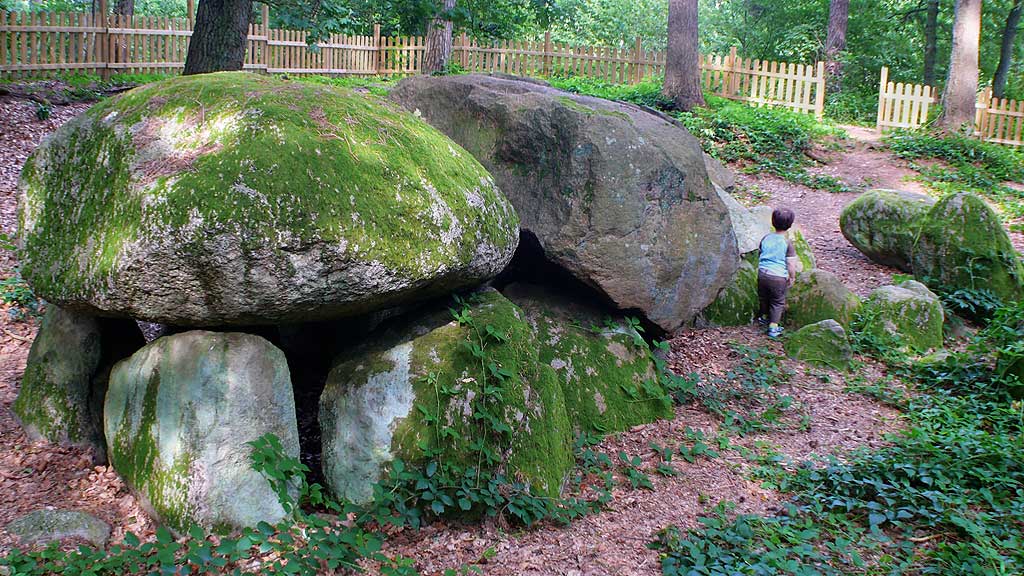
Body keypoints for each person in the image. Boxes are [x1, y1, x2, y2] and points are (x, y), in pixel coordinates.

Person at [757, 207, 798, 338]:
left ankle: (763, 317)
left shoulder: (766, 238)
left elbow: (760, 253)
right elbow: (791, 264)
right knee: (777, 301)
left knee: (763, 297)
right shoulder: (787, 243)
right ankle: (773, 327)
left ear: (772, 221)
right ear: (790, 225)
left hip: (763, 273)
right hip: (778, 277)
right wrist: (792, 277)